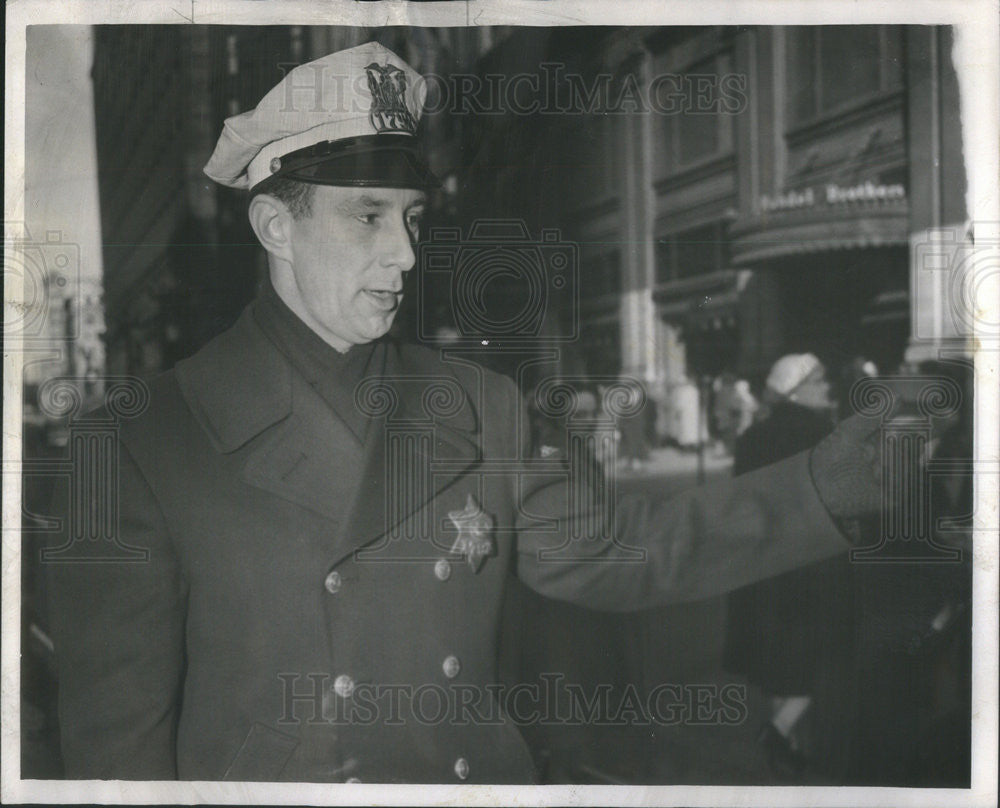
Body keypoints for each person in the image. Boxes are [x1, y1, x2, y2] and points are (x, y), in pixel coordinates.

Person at [47, 43, 886, 784]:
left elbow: (620, 551)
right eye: (367, 217)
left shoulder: (481, 403)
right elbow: (118, 759)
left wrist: (818, 488)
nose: (406, 253)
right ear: (275, 225)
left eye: (411, 219)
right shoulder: (138, 441)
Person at [722, 353, 851, 779]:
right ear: (797, 390)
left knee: (779, 664)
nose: (826, 388)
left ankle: (788, 751)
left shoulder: (753, 437)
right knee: (822, 659)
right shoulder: (824, 433)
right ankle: (778, 733)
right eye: (818, 382)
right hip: (812, 567)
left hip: (763, 565)